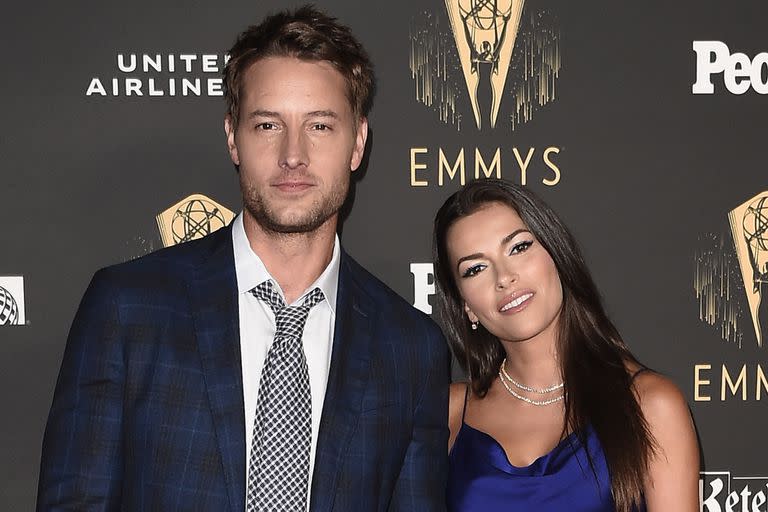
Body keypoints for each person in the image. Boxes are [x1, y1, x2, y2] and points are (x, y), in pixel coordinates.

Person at [37, 6, 449, 512]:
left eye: (319, 126)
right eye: (267, 125)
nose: (292, 154)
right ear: (233, 136)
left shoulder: (410, 347)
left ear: (357, 141)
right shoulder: (128, 309)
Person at [433, 179, 699, 511]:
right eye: (475, 268)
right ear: (466, 305)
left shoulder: (650, 406)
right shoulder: (451, 412)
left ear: (555, 253)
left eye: (518, 247)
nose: (504, 277)